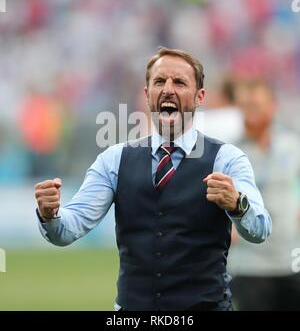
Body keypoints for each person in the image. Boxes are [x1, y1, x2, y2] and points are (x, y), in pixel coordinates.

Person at [34, 47, 271, 311]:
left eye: (179, 82)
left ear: (199, 96)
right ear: (147, 95)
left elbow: (260, 230)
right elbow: (68, 229)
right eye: (159, 81)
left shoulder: (227, 159)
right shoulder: (114, 160)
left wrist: (238, 204)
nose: (168, 89)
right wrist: (50, 214)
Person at [228, 80, 300, 311]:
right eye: (246, 106)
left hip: (291, 261)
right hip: (250, 266)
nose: (250, 112)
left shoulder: (291, 145)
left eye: (256, 105)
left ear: (272, 106)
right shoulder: (230, 152)